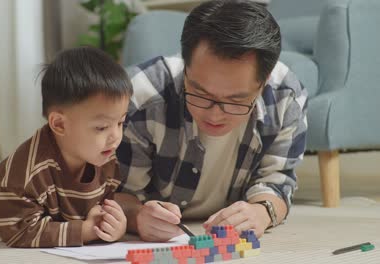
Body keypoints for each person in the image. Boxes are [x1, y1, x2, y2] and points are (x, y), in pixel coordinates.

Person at [114, 0, 308, 242]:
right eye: (200, 94)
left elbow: (278, 181)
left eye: (236, 100)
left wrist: (261, 212)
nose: (215, 114)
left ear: (264, 81)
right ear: (185, 66)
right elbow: (118, 193)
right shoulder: (140, 96)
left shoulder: (285, 97)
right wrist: (136, 217)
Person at [0, 47, 132, 248]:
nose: (115, 136)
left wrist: (113, 223)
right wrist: (83, 231)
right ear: (59, 124)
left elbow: (103, 204)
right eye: (102, 127)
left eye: (120, 123)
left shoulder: (105, 156)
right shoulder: (30, 172)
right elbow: (17, 231)